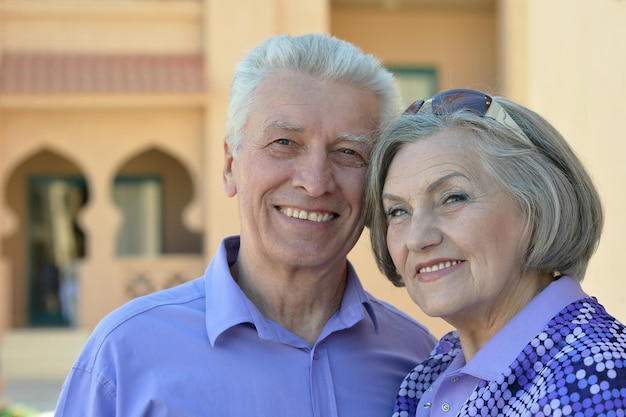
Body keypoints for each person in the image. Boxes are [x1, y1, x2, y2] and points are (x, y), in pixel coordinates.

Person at [53, 33, 437, 416]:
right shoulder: (125, 354)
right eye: (284, 143)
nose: (316, 182)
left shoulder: (417, 361)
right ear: (229, 165)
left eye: (349, 152)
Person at [365, 88, 626, 417]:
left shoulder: (598, 378)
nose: (416, 239)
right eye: (398, 211)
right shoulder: (435, 372)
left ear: (536, 207)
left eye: (453, 198)